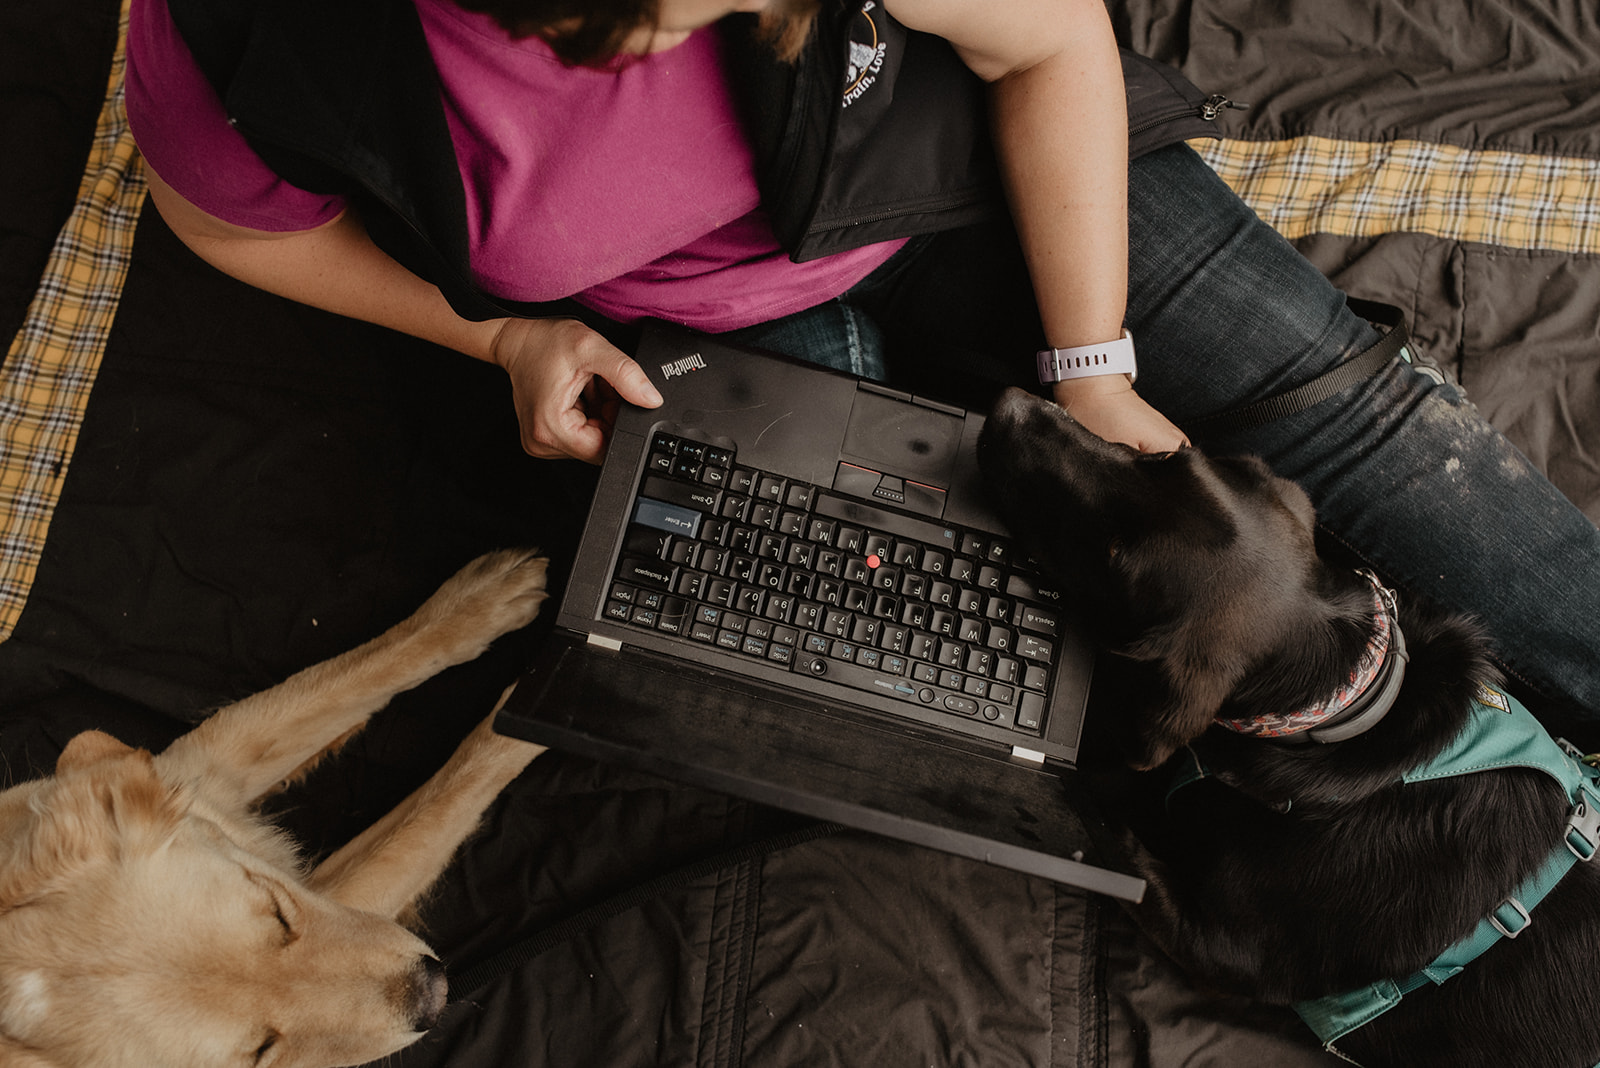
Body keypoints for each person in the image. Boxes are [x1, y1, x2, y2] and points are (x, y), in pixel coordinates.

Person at [125, 0, 1600, 730]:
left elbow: (1050, 52)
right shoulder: (253, 28)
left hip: (979, 176)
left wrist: (1092, 366)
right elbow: (235, 229)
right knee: (932, 653)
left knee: (1369, 434)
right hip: (707, 322)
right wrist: (504, 331)